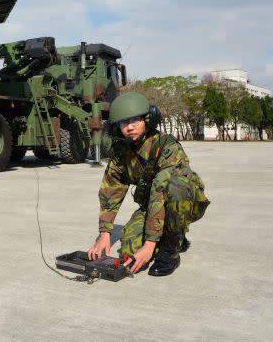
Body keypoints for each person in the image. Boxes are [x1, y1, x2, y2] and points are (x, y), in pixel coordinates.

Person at [87, 92, 210, 276]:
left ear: (147, 118)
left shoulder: (166, 146)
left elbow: (163, 187)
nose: (129, 127)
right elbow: (111, 188)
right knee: (129, 253)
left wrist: (150, 244)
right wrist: (104, 234)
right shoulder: (122, 153)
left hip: (182, 202)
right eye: (123, 123)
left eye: (135, 120)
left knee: (176, 187)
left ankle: (171, 250)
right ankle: (173, 237)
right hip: (152, 207)